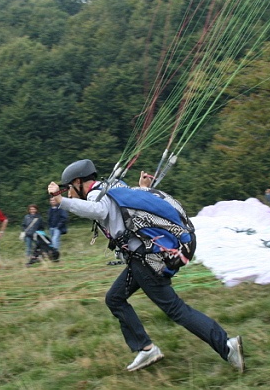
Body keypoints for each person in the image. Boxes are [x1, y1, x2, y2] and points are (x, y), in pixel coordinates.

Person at [47, 159, 245, 373]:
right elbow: (129, 204)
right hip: (142, 259)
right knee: (114, 298)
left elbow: (97, 210)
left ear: (78, 182)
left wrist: (61, 201)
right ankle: (145, 348)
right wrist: (142, 188)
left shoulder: (97, 195)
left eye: (68, 188)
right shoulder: (111, 186)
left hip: (146, 263)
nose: (69, 193)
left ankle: (226, 346)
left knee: (175, 309)